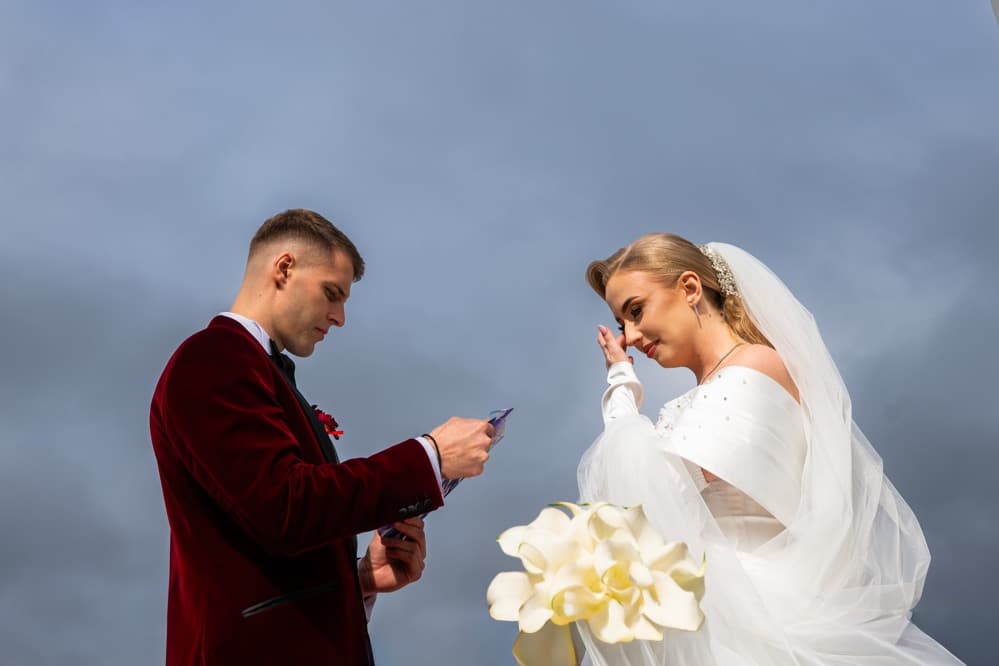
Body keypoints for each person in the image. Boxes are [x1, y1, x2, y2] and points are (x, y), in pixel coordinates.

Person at [576, 234, 963, 664]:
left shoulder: (752, 367)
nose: (628, 337)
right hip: (721, 611)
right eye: (620, 324)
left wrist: (621, 390)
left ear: (689, 288)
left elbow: (649, 499)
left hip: (755, 618)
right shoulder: (712, 388)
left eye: (635, 310)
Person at [149, 209, 494, 666]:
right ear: (284, 268)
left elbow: (267, 549)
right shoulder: (212, 357)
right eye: (332, 294)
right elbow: (284, 506)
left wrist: (360, 580)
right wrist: (428, 457)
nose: (341, 317)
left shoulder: (258, 370)